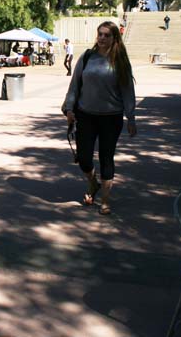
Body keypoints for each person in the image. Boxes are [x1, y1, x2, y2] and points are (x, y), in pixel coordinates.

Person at [63, 21, 137, 216]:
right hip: (85, 114)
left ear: (115, 38)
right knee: (84, 158)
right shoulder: (87, 57)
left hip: (111, 118)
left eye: (107, 35)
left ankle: (105, 200)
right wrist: (69, 107)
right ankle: (92, 182)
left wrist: (131, 117)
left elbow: (128, 90)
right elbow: (75, 84)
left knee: (106, 157)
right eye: (100, 34)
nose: (102, 38)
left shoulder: (120, 61)